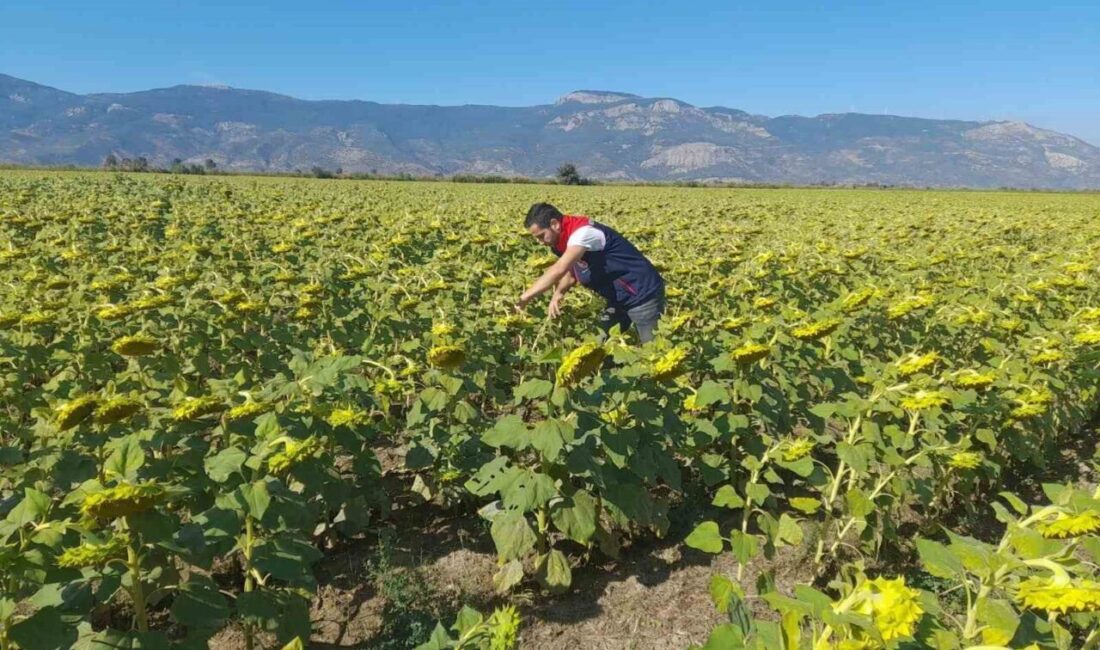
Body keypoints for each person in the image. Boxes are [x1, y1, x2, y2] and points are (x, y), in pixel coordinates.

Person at [515, 202, 666, 343]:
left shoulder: (583, 233)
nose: (540, 242)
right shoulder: (560, 240)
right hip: (618, 298)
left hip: (641, 293)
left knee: (652, 348)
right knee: (599, 343)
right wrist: (559, 293)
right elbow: (572, 269)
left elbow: (560, 268)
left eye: (541, 236)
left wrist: (525, 297)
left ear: (554, 224)